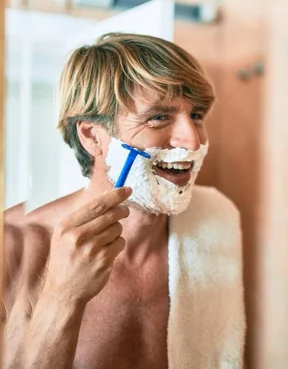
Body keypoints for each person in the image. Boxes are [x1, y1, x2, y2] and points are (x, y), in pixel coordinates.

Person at [3, 33, 245, 368]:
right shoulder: (14, 247)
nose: (191, 141)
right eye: (158, 117)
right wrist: (63, 295)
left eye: (197, 115)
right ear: (92, 136)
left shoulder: (215, 222)